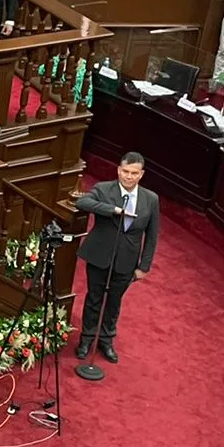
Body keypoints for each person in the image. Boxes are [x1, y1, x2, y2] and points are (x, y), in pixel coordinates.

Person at [73, 153, 159, 364]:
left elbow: (152, 235)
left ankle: (106, 340)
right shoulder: (104, 189)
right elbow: (83, 202)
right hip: (100, 255)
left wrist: (144, 266)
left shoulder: (151, 199)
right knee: (94, 299)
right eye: (125, 172)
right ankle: (86, 339)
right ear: (119, 170)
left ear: (141, 175)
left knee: (114, 302)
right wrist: (113, 210)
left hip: (127, 261)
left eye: (134, 173)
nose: (129, 177)